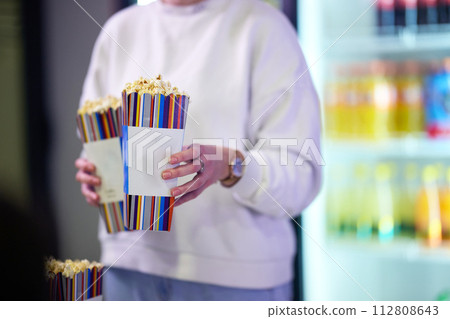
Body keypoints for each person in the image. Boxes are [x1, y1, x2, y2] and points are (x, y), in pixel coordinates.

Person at [75, 0, 321, 301]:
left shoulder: (262, 26)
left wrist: (230, 166)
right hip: (127, 267)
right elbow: (96, 133)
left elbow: (301, 173)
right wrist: (95, 172)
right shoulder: (120, 29)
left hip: (237, 279)